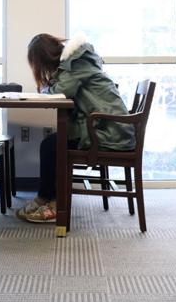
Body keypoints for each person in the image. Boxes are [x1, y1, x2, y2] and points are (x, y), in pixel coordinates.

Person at [18, 33, 135, 223]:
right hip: (105, 127)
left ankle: (55, 203)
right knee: (51, 144)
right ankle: (46, 198)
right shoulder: (74, 62)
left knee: (51, 146)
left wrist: (46, 89)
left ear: (44, 59)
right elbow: (62, 89)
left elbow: (61, 91)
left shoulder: (77, 62)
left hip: (110, 133)